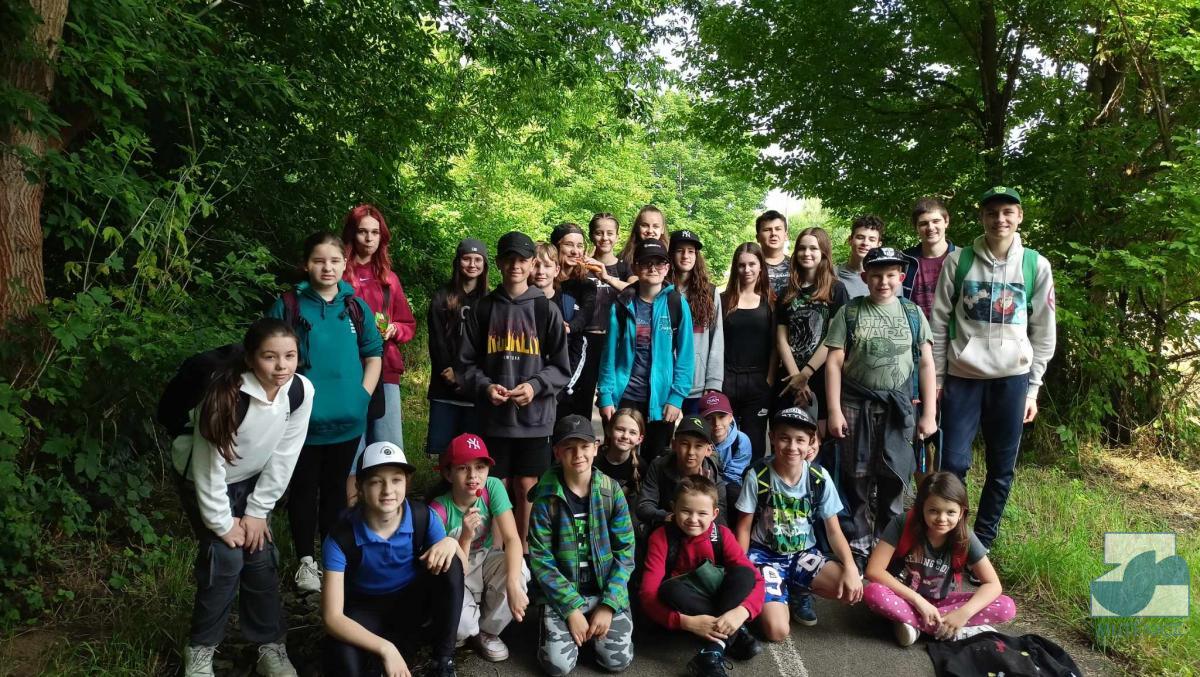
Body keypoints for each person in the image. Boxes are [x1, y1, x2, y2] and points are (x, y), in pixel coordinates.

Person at [177, 319, 312, 677]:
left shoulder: (300, 391)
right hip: (205, 482)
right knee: (225, 560)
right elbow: (208, 468)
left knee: (260, 557)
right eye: (270, 357)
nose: (281, 366)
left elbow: (285, 455)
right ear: (251, 359)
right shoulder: (225, 396)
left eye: (290, 356)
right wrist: (223, 524)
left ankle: (270, 646)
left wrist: (257, 511)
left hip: (251, 480)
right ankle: (200, 651)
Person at [931, 186, 1056, 555]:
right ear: (982, 218)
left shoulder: (1035, 265)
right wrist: (937, 380)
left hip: (1012, 380)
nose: (999, 219)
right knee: (952, 464)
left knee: (1002, 467)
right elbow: (938, 323)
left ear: (1019, 216)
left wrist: (1033, 388)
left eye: (1007, 212)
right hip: (963, 378)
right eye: (991, 213)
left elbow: (1044, 331)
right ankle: (950, 537)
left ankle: (980, 544)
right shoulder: (959, 262)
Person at [268, 231, 383, 593]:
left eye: (334, 261)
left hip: (348, 421)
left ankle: (333, 561)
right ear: (306, 264)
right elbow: (266, 355)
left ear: (345, 263)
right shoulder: (288, 306)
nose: (327, 267)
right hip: (301, 423)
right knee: (304, 489)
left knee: (335, 491)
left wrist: (362, 397)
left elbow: (373, 354)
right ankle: (306, 562)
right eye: (319, 261)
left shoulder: (356, 307)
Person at [825, 247, 938, 572]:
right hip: (855, 406)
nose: (883, 281)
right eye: (876, 275)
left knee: (894, 481)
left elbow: (926, 364)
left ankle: (888, 553)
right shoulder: (849, 312)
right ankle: (859, 548)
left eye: (890, 275)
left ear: (901, 277)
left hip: (898, 410)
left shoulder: (913, 314)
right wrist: (834, 410)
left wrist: (929, 414)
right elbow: (833, 363)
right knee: (857, 481)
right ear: (865, 277)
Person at [459, 231, 571, 550]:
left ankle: (522, 553)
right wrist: (485, 387)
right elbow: (465, 363)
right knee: (496, 485)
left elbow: (561, 367)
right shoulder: (483, 308)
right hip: (494, 417)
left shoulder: (545, 310)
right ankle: (494, 552)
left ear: (532, 263)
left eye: (522, 260)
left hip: (535, 418)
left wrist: (535, 387)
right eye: (509, 259)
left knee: (527, 485)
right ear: (498, 263)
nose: (515, 266)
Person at [321, 442, 464, 677]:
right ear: (360, 487)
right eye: (376, 482)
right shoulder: (341, 538)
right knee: (342, 661)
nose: (388, 490)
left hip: (413, 601)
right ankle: (387, 648)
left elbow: (459, 574)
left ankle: (443, 660)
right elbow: (332, 617)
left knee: (451, 563)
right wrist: (386, 649)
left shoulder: (422, 517)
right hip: (365, 608)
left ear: (406, 483)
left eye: (396, 480)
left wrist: (452, 542)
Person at [734, 407, 862, 638]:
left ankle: (798, 589)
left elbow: (834, 531)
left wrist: (851, 568)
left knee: (849, 589)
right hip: (765, 556)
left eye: (800, 440)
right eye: (784, 438)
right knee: (777, 631)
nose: (792, 447)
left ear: (811, 443)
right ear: (772, 438)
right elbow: (743, 528)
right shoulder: (758, 475)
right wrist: (741, 572)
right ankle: (774, 591)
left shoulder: (818, 477)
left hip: (803, 554)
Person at [528, 415, 636, 676]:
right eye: (569, 448)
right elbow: (541, 560)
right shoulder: (546, 499)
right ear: (557, 452)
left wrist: (609, 604)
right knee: (557, 666)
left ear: (596, 447)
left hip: (604, 590)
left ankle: (594, 633)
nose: (578, 455)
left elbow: (625, 554)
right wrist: (571, 610)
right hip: (563, 592)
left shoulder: (612, 492)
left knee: (617, 662)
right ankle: (569, 629)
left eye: (585, 446)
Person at [864, 472, 1016, 646]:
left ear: (961, 513)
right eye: (933, 511)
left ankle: (916, 625)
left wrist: (963, 614)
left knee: (1006, 606)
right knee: (873, 592)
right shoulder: (902, 523)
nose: (942, 519)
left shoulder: (965, 537)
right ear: (922, 509)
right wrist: (918, 601)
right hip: (904, 597)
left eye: (950, 512)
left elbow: (993, 584)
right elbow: (874, 570)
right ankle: (954, 631)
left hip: (945, 602)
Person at [639, 477, 766, 677]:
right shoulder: (661, 537)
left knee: (744, 573)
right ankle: (735, 633)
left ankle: (712, 652)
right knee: (669, 589)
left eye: (702, 513)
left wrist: (741, 613)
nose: (693, 519)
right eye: (685, 511)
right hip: (688, 604)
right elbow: (647, 595)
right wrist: (687, 623)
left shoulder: (722, 534)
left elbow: (757, 581)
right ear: (673, 508)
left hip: (720, 597)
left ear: (714, 514)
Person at [429, 433, 530, 662]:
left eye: (480, 467)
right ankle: (469, 626)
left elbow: (512, 539)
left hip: (485, 557)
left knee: (519, 571)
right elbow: (454, 569)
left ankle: (486, 631)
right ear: (448, 473)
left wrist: (512, 584)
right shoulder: (438, 510)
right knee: (461, 629)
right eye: (463, 468)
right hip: (454, 568)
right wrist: (465, 537)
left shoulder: (492, 487)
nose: (473, 475)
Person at [598, 239, 694, 462]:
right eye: (646, 263)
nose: (652, 268)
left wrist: (676, 397)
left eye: (659, 263)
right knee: (618, 459)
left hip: (661, 401)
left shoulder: (676, 303)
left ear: (667, 268)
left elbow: (686, 356)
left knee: (655, 461)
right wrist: (605, 396)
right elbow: (608, 355)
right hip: (624, 397)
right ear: (635, 267)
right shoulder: (622, 304)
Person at [341, 204, 417, 452]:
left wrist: (394, 329)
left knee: (387, 446)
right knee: (352, 445)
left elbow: (408, 324)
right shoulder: (338, 275)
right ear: (352, 234)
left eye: (375, 232)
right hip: (348, 368)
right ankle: (353, 479)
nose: (369, 238)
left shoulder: (389, 279)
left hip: (386, 369)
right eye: (363, 231)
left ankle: (389, 479)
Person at [901, 198, 957, 475]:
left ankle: (945, 492)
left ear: (946, 221)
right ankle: (924, 491)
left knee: (950, 433)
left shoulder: (963, 259)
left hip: (954, 353)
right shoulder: (905, 261)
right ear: (916, 228)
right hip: (913, 354)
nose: (930, 228)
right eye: (923, 223)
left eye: (936, 221)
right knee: (917, 432)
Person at [775, 227, 850, 426]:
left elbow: (834, 337)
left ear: (823, 252)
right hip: (790, 378)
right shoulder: (786, 293)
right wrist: (796, 377)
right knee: (789, 433)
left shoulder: (836, 289)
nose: (806, 253)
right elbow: (781, 339)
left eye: (813, 248)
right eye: (802, 248)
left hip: (823, 377)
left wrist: (805, 374)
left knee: (819, 435)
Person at [426, 238, 488, 456]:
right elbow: (436, 340)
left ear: (485, 264)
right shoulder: (442, 297)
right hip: (444, 385)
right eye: (466, 259)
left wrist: (469, 376)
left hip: (476, 388)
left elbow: (488, 345)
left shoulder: (489, 300)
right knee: (444, 452)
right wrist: (449, 372)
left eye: (477, 259)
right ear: (458, 261)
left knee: (472, 452)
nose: (472, 264)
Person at [720, 242, 776, 461]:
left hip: (758, 382)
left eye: (752, 264)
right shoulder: (723, 301)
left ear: (761, 266)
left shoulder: (770, 302)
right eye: (742, 265)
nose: (747, 270)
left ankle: (753, 481)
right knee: (725, 440)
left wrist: (769, 379)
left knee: (755, 442)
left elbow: (775, 345)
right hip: (728, 380)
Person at [580, 213, 633, 422]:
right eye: (599, 233)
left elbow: (637, 291)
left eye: (610, 233)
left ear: (617, 236)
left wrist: (607, 277)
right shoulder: (582, 266)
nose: (605, 238)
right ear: (591, 235)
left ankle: (614, 437)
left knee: (612, 399)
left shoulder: (624, 267)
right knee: (582, 395)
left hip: (615, 342)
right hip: (586, 339)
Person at [637, 415, 728, 533]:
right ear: (674, 445)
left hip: (700, 531)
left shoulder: (714, 479)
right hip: (665, 526)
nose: (691, 452)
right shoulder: (659, 466)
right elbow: (644, 506)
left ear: (708, 450)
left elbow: (720, 518)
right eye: (685, 444)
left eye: (698, 446)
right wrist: (670, 517)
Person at [667, 229, 724, 414]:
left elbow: (717, 339)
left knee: (695, 432)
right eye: (680, 250)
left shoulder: (710, 292)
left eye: (691, 251)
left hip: (698, 385)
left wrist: (714, 382)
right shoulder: (661, 291)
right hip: (665, 383)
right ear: (671, 254)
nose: (686, 256)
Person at [550, 224, 599, 419]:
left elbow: (586, 313)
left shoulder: (586, 284)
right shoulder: (544, 279)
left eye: (580, 246)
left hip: (575, 351)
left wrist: (569, 327)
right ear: (556, 247)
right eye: (569, 244)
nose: (575, 251)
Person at [699, 392, 752, 508]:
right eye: (709, 419)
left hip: (728, 487)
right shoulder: (698, 440)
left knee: (734, 493)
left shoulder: (741, 440)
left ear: (731, 417)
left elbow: (732, 477)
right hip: (702, 484)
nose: (716, 423)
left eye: (721, 416)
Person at [594, 407, 646, 501]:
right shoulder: (593, 457)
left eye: (632, 432)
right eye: (620, 429)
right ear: (608, 431)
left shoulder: (640, 466)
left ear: (639, 439)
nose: (625, 436)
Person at [835, 215, 884, 299]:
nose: (865, 243)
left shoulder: (887, 280)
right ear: (850, 240)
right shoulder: (832, 275)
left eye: (871, 240)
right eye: (860, 237)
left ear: (878, 245)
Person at [617, 204, 670, 271]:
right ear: (637, 228)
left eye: (655, 226)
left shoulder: (671, 255)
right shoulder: (623, 257)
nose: (650, 231)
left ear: (662, 229)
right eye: (645, 225)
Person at [755, 210, 791, 297]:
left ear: (786, 235)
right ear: (758, 237)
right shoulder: (748, 266)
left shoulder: (797, 266)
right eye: (767, 230)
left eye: (778, 229)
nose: (773, 233)